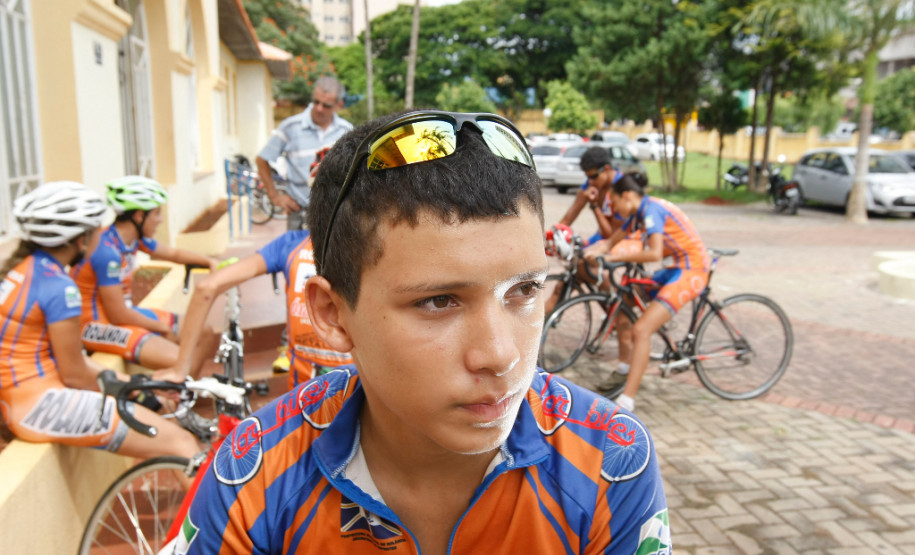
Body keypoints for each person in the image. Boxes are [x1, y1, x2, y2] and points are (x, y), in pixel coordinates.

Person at [178, 111, 670, 554]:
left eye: (524, 290)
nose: (500, 356)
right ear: (332, 314)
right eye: (439, 301)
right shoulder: (253, 476)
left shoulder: (611, 462)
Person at [0, 181, 198, 459]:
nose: (100, 236)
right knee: (182, 444)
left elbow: (66, 364)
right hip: (39, 405)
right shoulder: (59, 287)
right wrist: (134, 388)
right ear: (80, 239)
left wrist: (138, 384)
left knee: (163, 414)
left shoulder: (24, 271)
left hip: (23, 399)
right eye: (95, 230)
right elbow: (74, 373)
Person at [163, 228, 353, 390]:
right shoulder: (365, 245)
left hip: (304, 398)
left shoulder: (292, 244)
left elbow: (206, 288)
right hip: (359, 391)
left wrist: (180, 369)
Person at [586, 177, 710, 412]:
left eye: (614, 201)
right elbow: (610, 241)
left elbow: (654, 254)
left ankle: (626, 401)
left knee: (641, 329)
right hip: (674, 267)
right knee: (624, 303)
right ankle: (624, 368)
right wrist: (589, 252)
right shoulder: (638, 213)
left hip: (692, 269)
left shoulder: (651, 209)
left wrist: (613, 258)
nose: (613, 208)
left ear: (627, 196)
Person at [70, 176, 218, 373]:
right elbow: (118, 314)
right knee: (178, 360)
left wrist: (210, 262)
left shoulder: (133, 239)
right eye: (156, 213)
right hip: (93, 325)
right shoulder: (106, 252)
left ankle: (182, 394)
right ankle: (176, 395)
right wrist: (161, 327)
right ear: (139, 216)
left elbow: (173, 254)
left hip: (122, 314)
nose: (160, 220)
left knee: (204, 332)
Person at [256, 75, 353, 232]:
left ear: (338, 104)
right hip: (299, 214)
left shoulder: (346, 130)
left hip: (334, 214)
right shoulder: (290, 127)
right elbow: (262, 159)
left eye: (326, 105)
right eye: (316, 102)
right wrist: (274, 196)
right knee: (296, 256)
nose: (319, 108)